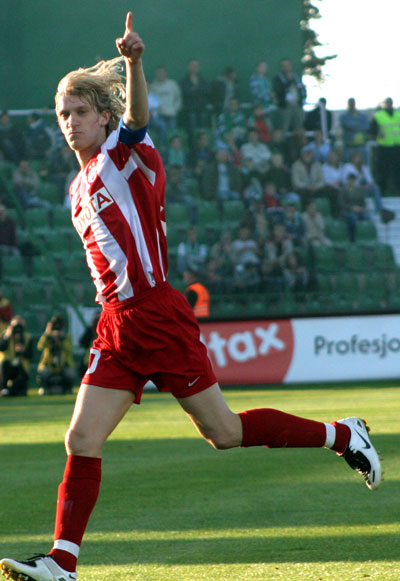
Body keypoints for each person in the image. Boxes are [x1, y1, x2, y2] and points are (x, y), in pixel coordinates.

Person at [0, 13, 381, 581]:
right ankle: (62, 562)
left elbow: (138, 119)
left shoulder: (124, 155)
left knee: (223, 433)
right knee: (80, 437)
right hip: (116, 324)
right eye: (63, 114)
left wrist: (133, 63)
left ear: (103, 116)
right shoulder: (77, 186)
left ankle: (343, 434)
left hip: (156, 313)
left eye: (79, 112)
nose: (70, 122)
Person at [36, 314, 75, 396]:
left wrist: (62, 339)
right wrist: (47, 333)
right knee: (43, 372)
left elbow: (70, 348)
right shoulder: (48, 336)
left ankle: (68, 389)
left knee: (70, 373)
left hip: (63, 364)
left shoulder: (67, 336)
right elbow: (40, 346)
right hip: (49, 364)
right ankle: (45, 388)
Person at [370, 97, 400, 195]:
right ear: (384, 104)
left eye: (390, 103)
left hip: (397, 146)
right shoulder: (378, 115)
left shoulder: (398, 115)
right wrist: (377, 133)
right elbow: (372, 130)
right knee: (383, 170)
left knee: (398, 170)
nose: (389, 104)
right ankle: (382, 191)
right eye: (387, 103)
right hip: (384, 147)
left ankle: (397, 190)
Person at [0, 315, 33, 397]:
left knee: (20, 384)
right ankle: (4, 388)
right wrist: (7, 336)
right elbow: (2, 348)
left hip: (21, 367)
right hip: (7, 366)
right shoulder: (5, 335)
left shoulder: (27, 337)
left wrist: (23, 351)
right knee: (5, 364)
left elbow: (30, 355)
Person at [339, 98, 370, 163]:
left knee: (364, 165)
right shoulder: (343, 117)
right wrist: (359, 125)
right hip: (349, 146)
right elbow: (347, 125)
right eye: (350, 104)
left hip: (362, 145)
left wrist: (353, 126)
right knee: (348, 165)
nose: (352, 105)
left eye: (353, 103)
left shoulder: (362, 116)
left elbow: (366, 126)